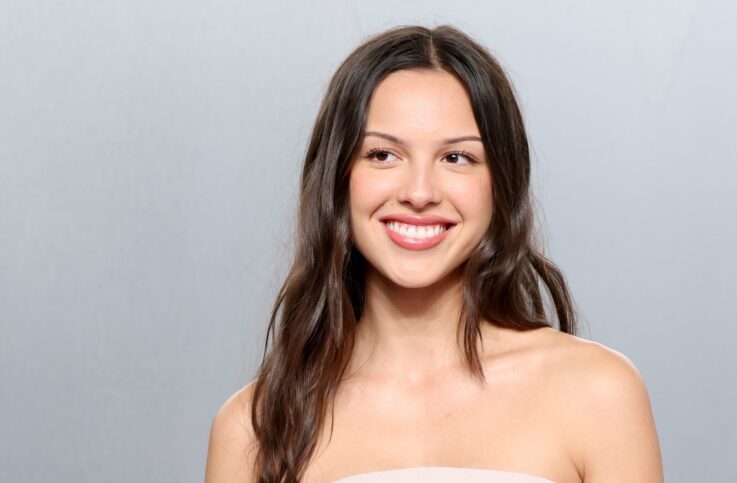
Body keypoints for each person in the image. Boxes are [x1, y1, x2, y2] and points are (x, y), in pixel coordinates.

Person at [204, 25, 663, 483]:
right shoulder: (251, 430)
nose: (420, 193)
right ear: (337, 178)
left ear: (500, 184)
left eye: (456, 158)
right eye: (383, 155)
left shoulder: (598, 394)